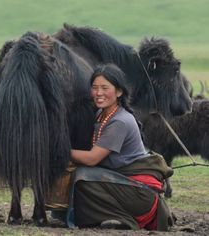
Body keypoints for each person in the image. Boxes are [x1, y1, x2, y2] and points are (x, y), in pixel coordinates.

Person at [70, 63, 175, 231]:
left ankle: (123, 218)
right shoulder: (102, 115)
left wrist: (60, 151)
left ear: (119, 91)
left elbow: (92, 159)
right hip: (125, 186)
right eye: (94, 88)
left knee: (82, 178)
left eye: (105, 88)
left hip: (140, 195)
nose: (98, 93)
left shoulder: (119, 121)